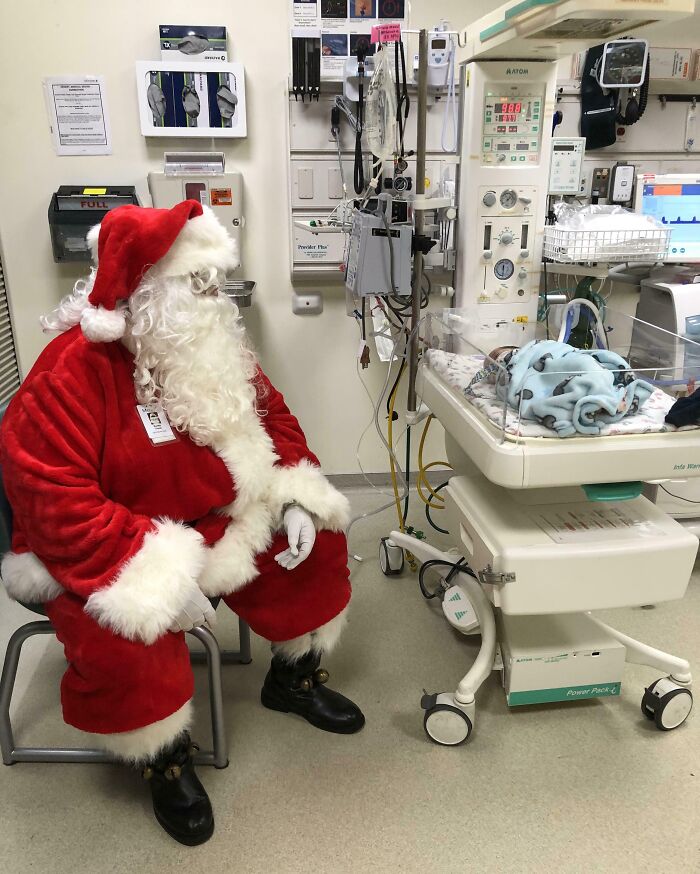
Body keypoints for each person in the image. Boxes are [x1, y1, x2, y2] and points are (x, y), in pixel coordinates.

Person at [0, 201, 364, 846]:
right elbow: (54, 502)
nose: (214, 297)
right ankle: (162, 759)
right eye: (198, 284)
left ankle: (293, 679)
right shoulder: (68, 374)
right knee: (127, 628)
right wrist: (160, 574)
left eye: (215, 282)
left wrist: (297, 495)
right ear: (144, 292)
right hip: (100, 543)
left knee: (316, 545)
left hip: (214, 517)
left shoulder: (212, 348)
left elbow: (274, 419)